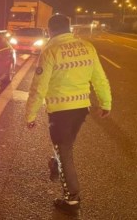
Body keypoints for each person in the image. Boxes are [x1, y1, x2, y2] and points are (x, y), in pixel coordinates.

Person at [25, 14, 112, 217]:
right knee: (65, 146)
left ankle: (72, 198)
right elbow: (99, 77)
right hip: (81, 109)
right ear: (69, 27)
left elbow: (39, 87)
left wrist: (30, 115)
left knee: (65, 152)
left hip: (60, 111)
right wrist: (105, 102)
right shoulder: (87, 47)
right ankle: (56, 162)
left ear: (50, 30)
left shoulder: (50, 50)